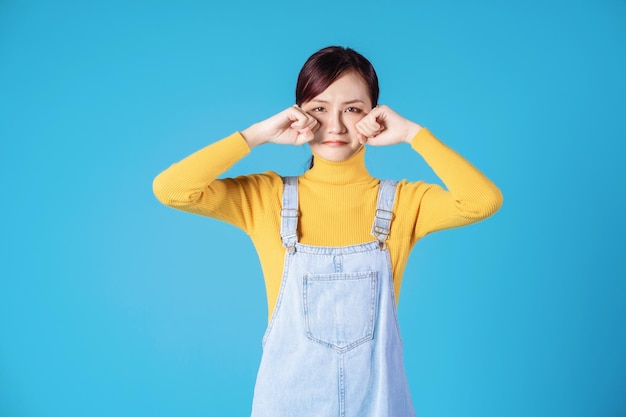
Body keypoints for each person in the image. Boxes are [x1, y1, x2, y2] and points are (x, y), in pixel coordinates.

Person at [153, 46, 503, 417]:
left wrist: (412, 134)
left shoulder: (404, 203)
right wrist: (257, 134)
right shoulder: (266, 197)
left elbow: (482, 201)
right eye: (319, 108)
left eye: (353, 109)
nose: (335, 126)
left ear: (376, 116)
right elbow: (172, 189)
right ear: (298, 114)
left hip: (378, 404)